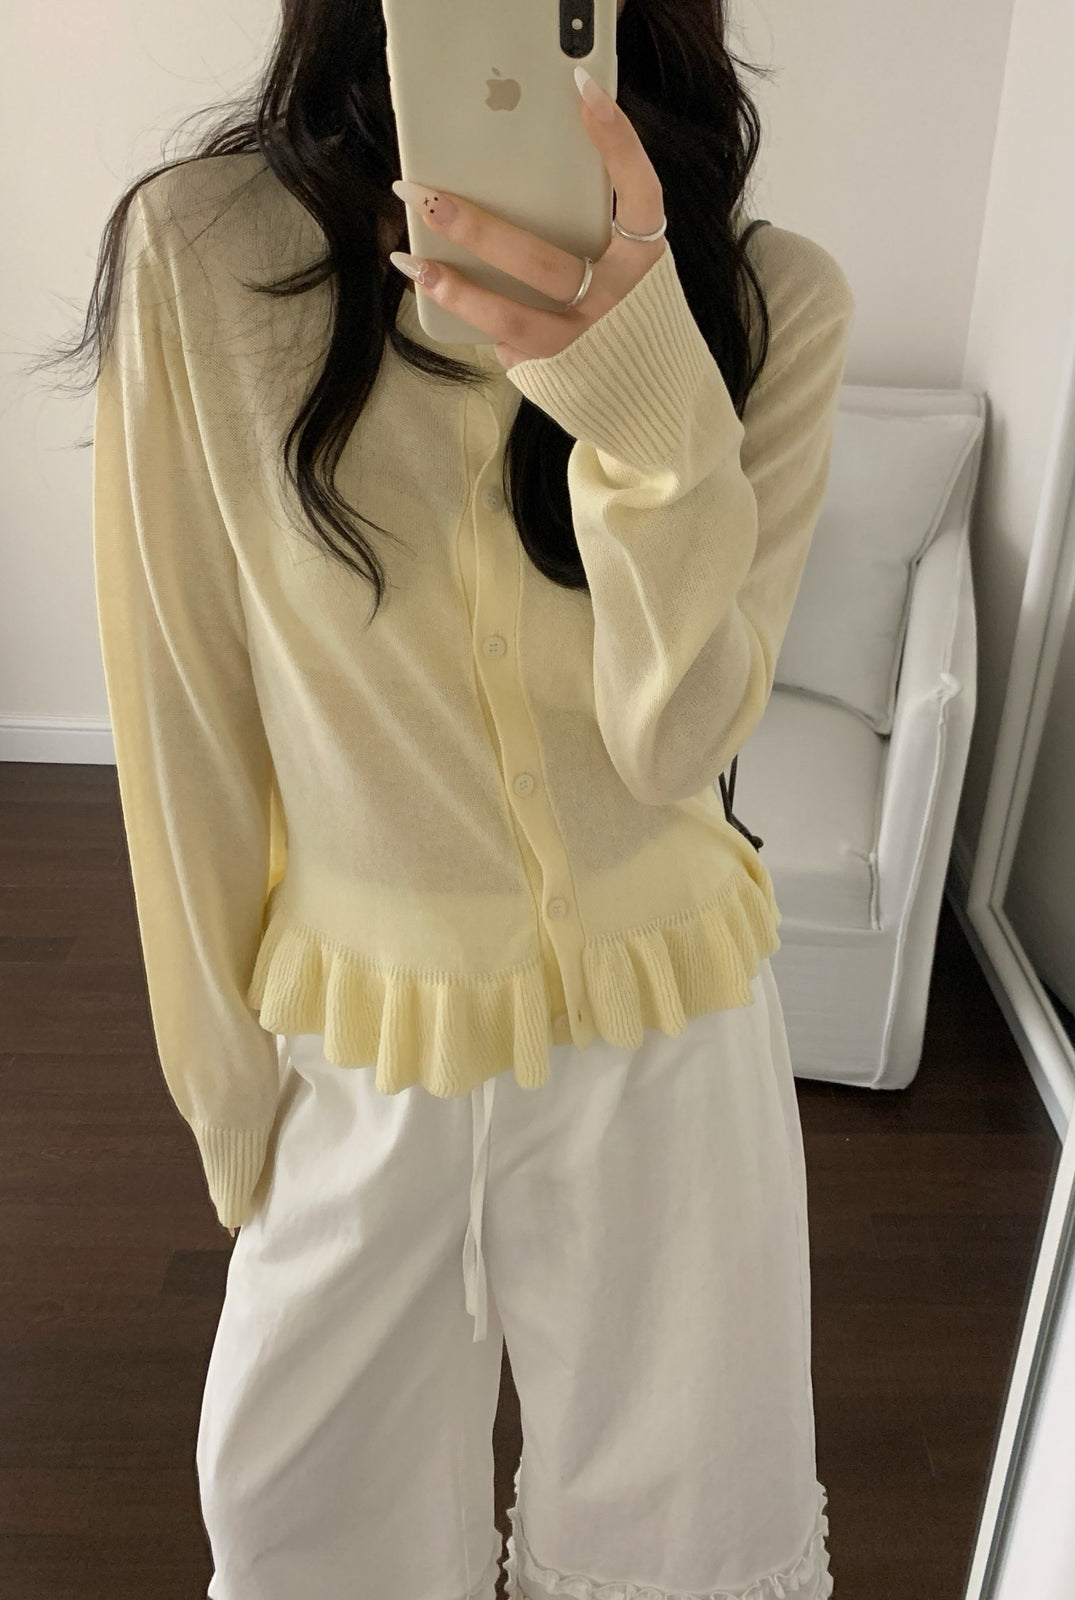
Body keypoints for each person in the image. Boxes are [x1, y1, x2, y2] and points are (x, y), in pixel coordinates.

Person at [73, 0, 855, 1594]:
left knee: (681, 1550)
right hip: (360, 1051)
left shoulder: (774, 302)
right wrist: (229, 1100)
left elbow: (675, 745)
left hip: (669, 1044)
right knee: (304, 1529)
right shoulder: (202, 259)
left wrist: (646, 397)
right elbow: (183, 722)